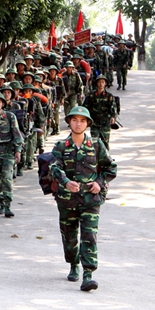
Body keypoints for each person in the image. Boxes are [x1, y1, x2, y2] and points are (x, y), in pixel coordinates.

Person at [48, 106, 117, 291]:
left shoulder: (96, 145)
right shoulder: (61, 146)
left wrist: (100, 183)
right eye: (75, 120)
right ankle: (73, 263)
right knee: (69, 235)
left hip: (90, 200)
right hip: (67, 199)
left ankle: (88, 274)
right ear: (69, 122)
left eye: (82, 120)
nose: (78, 124)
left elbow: (111, 167)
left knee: (89, 236)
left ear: (87, 124)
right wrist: (65, 181)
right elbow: (54, 167)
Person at [0, 91, 24, 217]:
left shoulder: (9, 116)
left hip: (7, 152)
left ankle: (8, 206)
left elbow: (17, 134)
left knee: (7, 179)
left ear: (2, 104)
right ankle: (1, 202)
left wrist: (18, 151)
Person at [82, 76, 118, 148]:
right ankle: (95, 155)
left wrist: (113, 117)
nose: (101, 84)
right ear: (96, 83)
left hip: (105, 123)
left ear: (105, 83)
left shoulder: (109, 96)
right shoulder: (91, 95)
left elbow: (114, 109)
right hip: (94, 123)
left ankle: (105, 155)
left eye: (103, 82)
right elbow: (85, 107)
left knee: (105, 144)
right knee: (94, 143)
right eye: (99, 82)